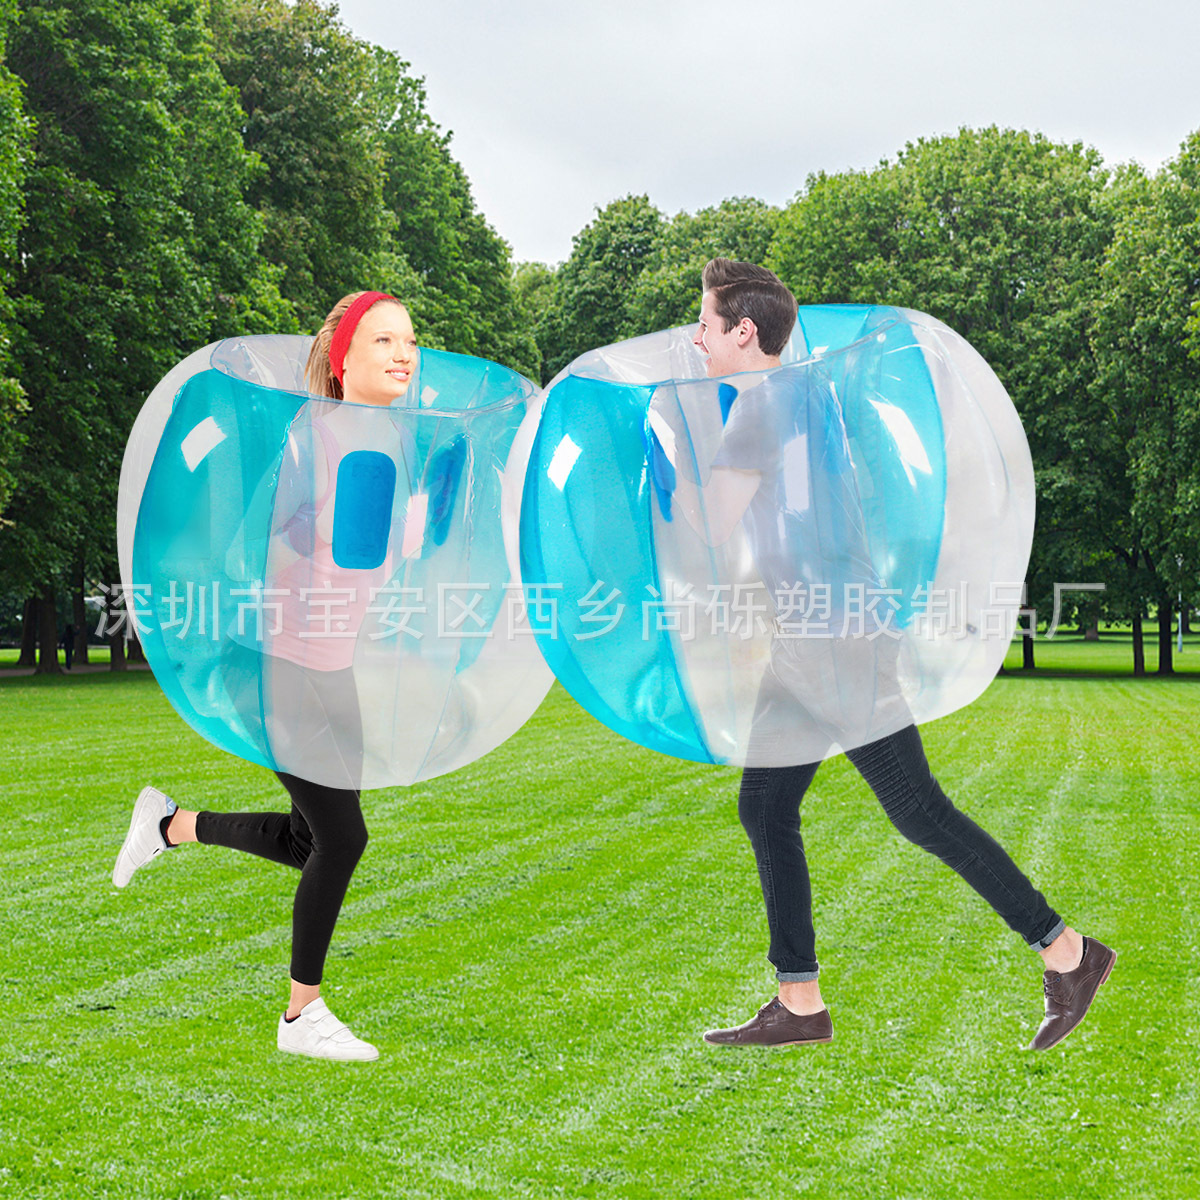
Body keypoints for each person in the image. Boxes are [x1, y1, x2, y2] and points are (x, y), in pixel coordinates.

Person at [677, 259, 1113, 1051]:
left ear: (744, 331)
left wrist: (668, 444)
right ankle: (800, 1002)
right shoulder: (809, 397)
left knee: (917, 810)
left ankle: (1068, 952)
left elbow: (708, 527)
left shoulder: (756, 411)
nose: (695, 340)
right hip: (812, 637)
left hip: (834, 641)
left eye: (703, 324)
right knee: (766, 806)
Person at [112, 291, 419, 1062]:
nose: (403, 353)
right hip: (282, 666)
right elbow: (286, 548)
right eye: (383, 340)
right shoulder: (318, 437)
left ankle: (169, 824)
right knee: (343, 839)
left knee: (312, 838)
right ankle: (300, 1017)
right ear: (343, 359)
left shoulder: (386, 443)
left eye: (410, 341)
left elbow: (372, 566)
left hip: (331, 666)